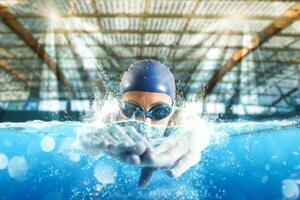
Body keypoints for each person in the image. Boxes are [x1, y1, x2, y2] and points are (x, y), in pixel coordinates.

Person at [78, 59, 210, 187]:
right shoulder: (113, 118)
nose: (146, 122)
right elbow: (87, 133)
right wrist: (88, 141)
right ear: (121, 108)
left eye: (160, 112)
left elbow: (201, 131)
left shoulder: (179, 117)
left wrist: (193, 140)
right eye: (131, 110)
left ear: (172, 108)